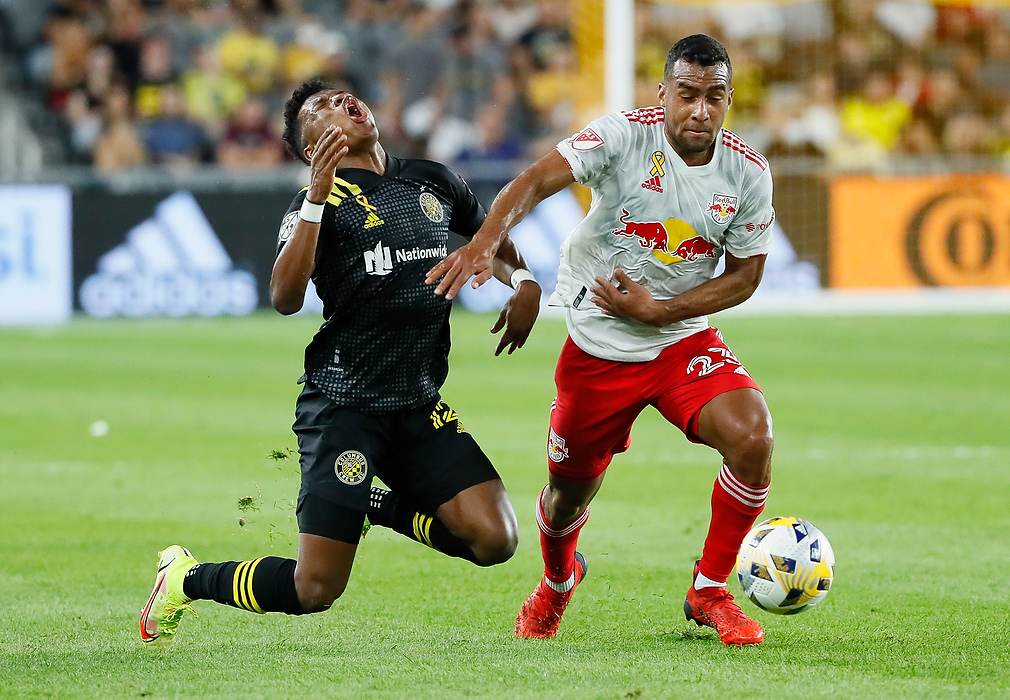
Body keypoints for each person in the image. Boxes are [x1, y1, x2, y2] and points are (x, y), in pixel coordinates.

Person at [140, 78, 542, 644]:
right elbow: (284, 297)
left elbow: (490, 237)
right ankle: (185, 576)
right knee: (315, 590)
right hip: (344, 408)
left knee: (495, 540)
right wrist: (313, 197)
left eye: (344, 96)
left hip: (416, 404)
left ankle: (376, 500)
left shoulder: (432, 179)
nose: (342, 103)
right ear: (312, 147)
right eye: (322, 108)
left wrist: (522, 279)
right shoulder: (317, 204)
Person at [427, 34, 776, 647]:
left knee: (752, 437)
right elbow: (536, 179)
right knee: (566, 496)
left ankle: (710, 589)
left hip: (679, 340)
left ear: (728, 100)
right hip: (599, 344)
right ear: (663, 92)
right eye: (688, 94)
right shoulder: (623, 136)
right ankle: (557, 584)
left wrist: (663, 310)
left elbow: (746, 275)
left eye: (714, 97)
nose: (700, 110)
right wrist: (485, 244)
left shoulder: (748, 172)